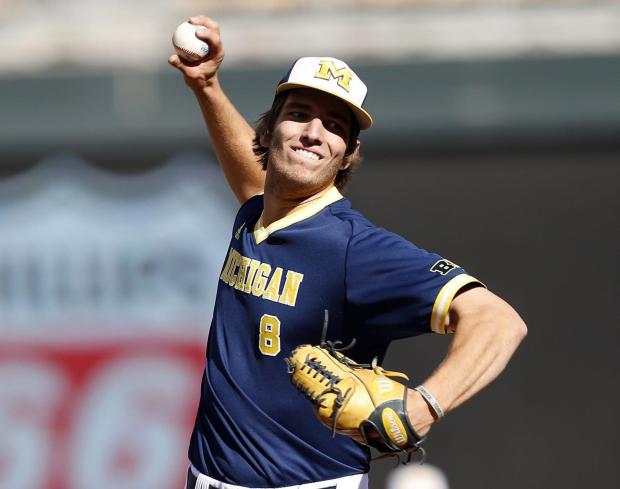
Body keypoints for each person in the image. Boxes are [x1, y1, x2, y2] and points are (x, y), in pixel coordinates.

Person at [168, 15, 527, 489]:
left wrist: (426, 405)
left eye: (335, 125)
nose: (314, 132)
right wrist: (208, 86)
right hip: (203, 477)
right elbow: (256, 180)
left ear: (348, 153)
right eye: (298, 114)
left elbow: (499, 320)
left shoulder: (352, 248)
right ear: (269, 129)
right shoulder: (259, 213)